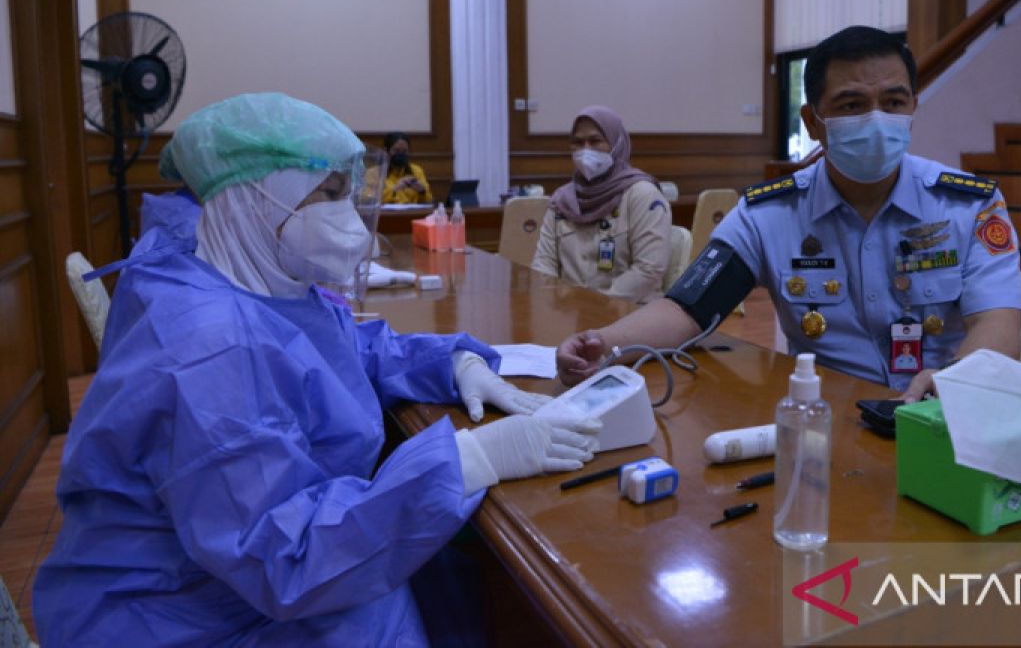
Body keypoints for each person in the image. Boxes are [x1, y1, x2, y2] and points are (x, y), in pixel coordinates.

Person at [34, 93, 599, 646]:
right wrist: (468, 461)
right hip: (182, 615)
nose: (347, 217)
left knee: (457, 581)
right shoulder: (208, 346)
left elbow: (340, 347)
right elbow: (286, 557)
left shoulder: (232, 267)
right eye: (327, 194)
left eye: (347, 193)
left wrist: (453, 362)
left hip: (223, 581)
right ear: (257, 199)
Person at [556, 27, 1021, 402]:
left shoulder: (969, 205)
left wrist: (953, 382)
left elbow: (998, 325)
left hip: (941, 416)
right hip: (829, 417)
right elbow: (688, 308)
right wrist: (603, 345)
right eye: (852, 105)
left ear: (913, 109)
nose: (877, 118)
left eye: (894, 103)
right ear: (813, 121)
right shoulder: (769, 213)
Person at [531, 106, 672, 303]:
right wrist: (549, 305)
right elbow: (543, 264)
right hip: (569, 311)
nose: (585, 150)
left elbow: (649, 269)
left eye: (595, 141)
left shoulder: (642, 195)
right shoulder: (561, 200)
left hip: (631, 310)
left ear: (616, 144)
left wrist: (597, 306)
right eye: (578, 143)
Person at [381, 130, 433, 204]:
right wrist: (396, 188)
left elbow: (429, 200)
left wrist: (422, 191)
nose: (400, 154)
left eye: (404, 151)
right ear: (386, 151)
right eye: (396, 151)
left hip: (413, 211)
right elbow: (370, 199)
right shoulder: (375, 173)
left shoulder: (417, 171)